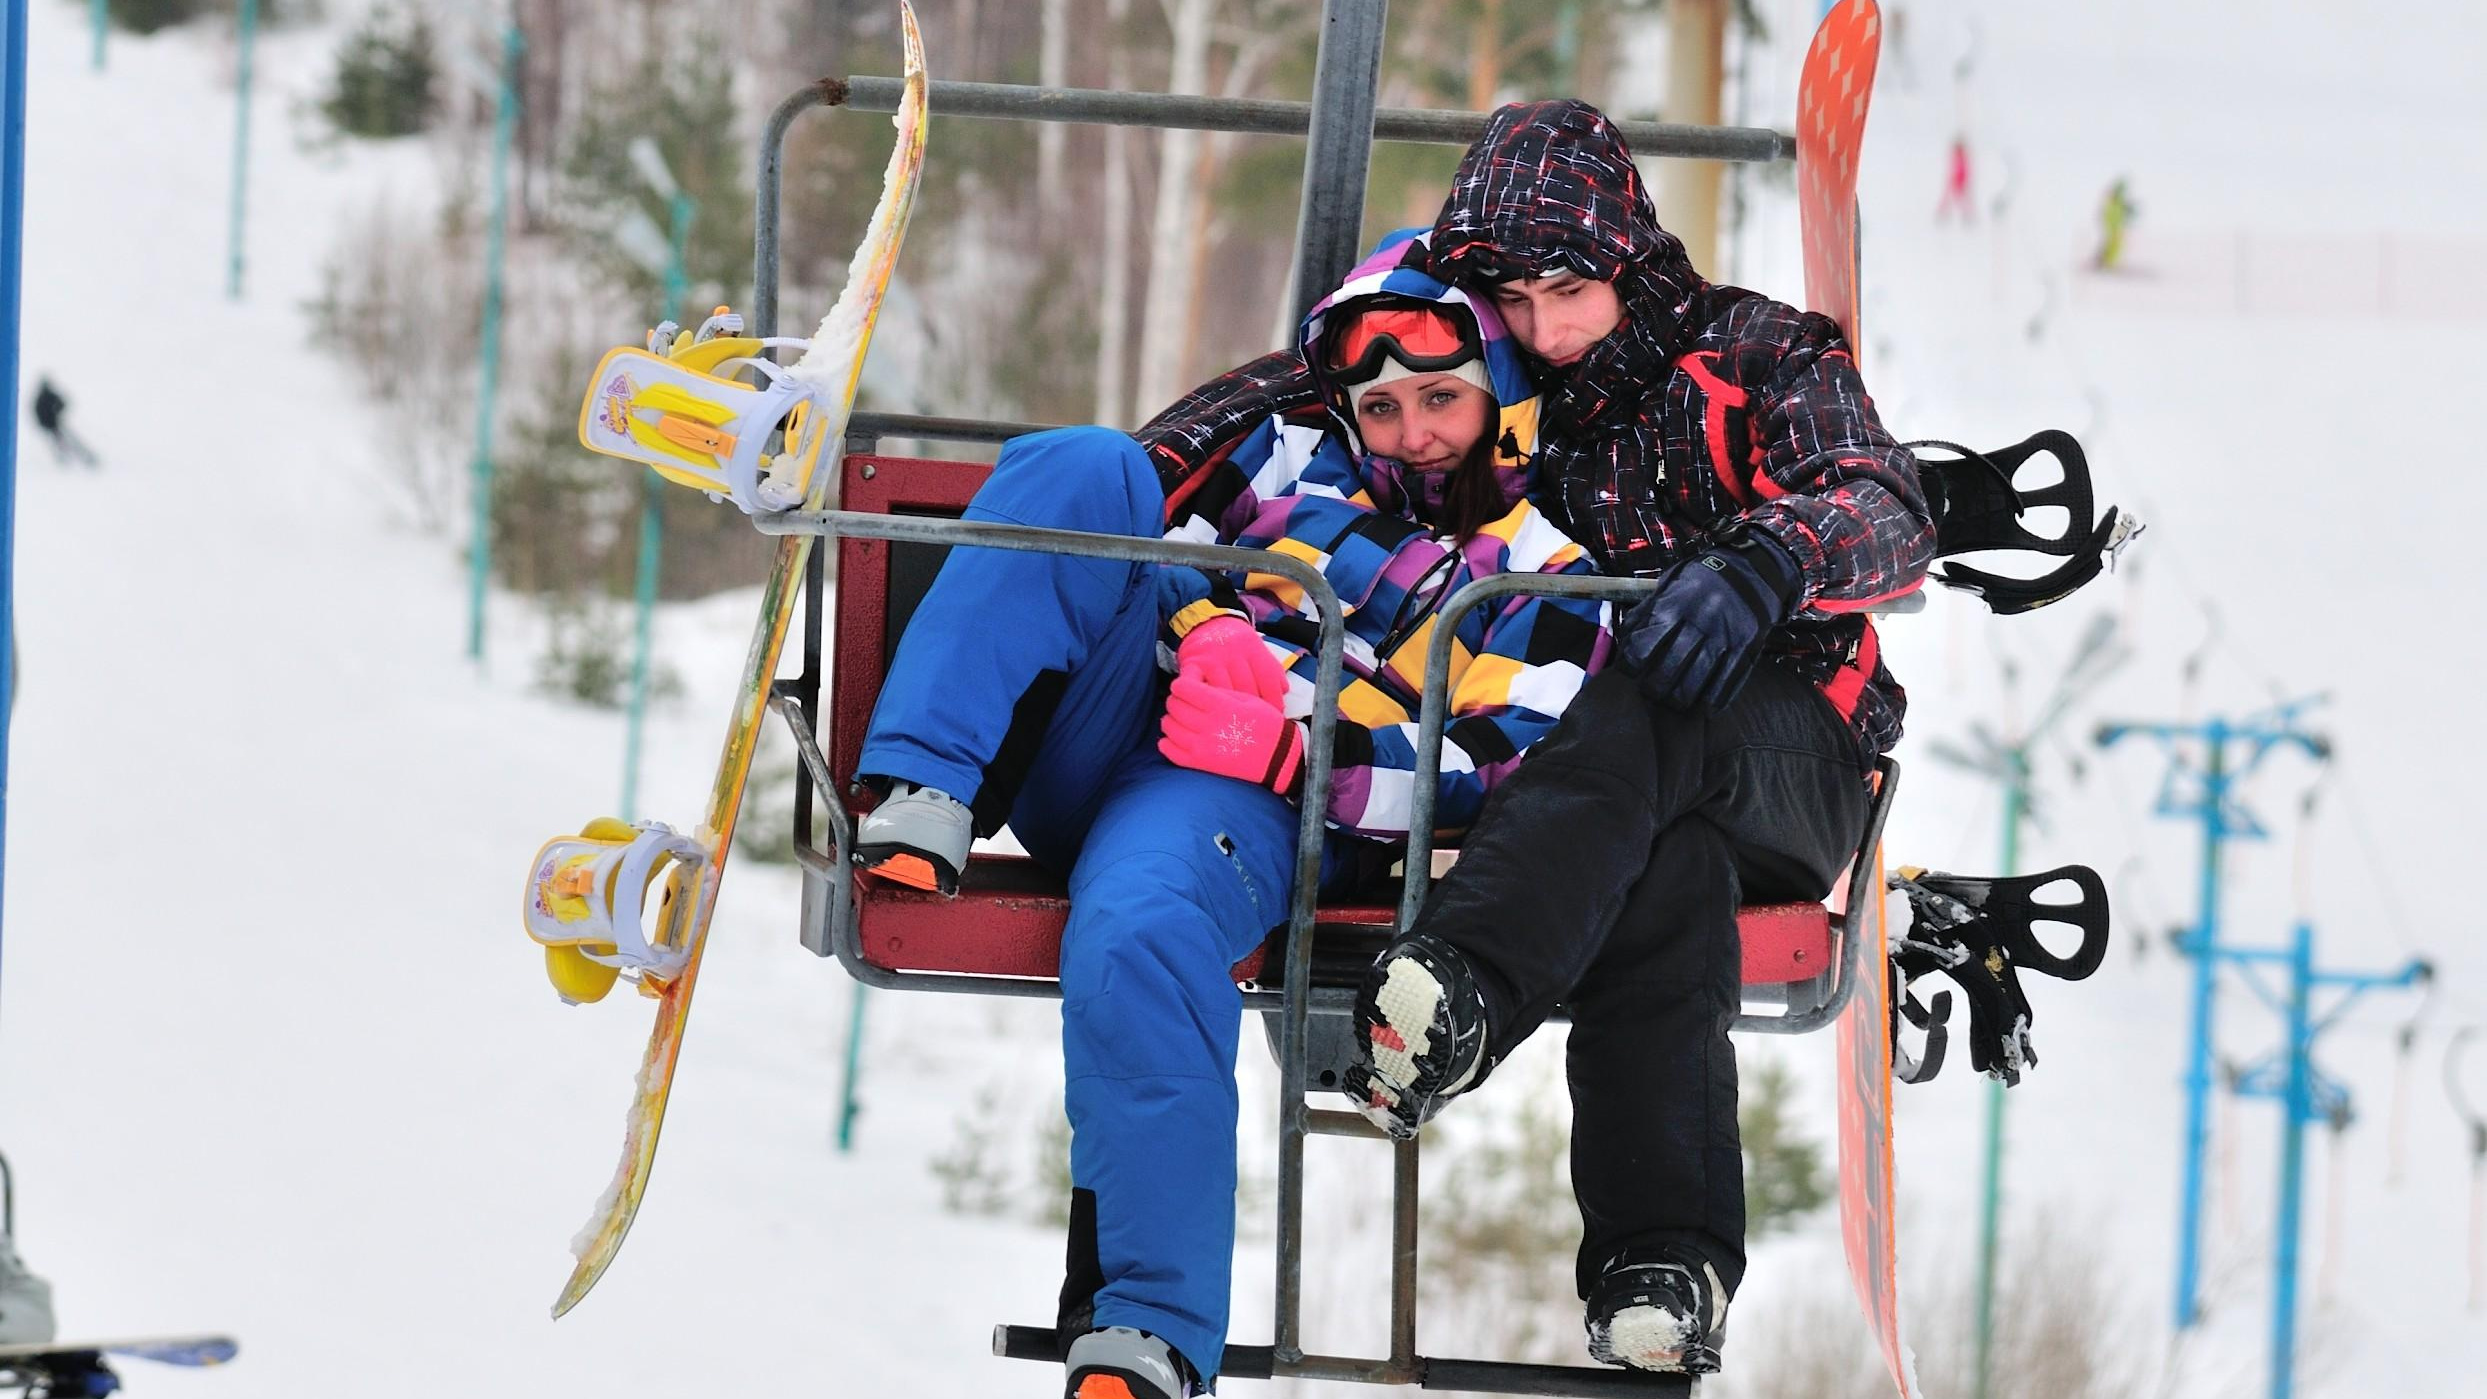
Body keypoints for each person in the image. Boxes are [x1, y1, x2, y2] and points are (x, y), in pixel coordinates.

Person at [848, 234, 1615, 1399]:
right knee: (1083, 465)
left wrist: (1304, 754)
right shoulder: (1289, 459)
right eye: (1386, 404)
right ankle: (920, 788)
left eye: (1443, 398)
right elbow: (1162, 546)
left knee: (1140, 931)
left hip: (1232, 800)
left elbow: (1498, 766)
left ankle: (1147, 1325)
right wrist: (1205, 625)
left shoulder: (1543, 577)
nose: (1414, 430)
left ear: (1501, 392)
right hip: (1119, 704)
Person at [1340, 99, 1936, 1375]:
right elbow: (1318, 380)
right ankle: (1658, 1271)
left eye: (1571, 287)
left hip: (1796, 757)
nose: (1546, 328)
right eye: (1513, 297)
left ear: (1628, 252)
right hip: (1616, 814)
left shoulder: (1754, 354)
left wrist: (1772, 560)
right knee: (1669, 869)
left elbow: (1888, 507)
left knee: (1660, 677)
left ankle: (1466, 984)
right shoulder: (1499, 387)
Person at [30, 378, 98, 468]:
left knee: (66, 441)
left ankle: (78, 457)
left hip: (54, 424)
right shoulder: (44, 397)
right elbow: (39, 412)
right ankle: (70, 457)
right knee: (63, 441)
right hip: (52, 425)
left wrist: (56, 413)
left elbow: (61, 403)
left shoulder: (46, 397)